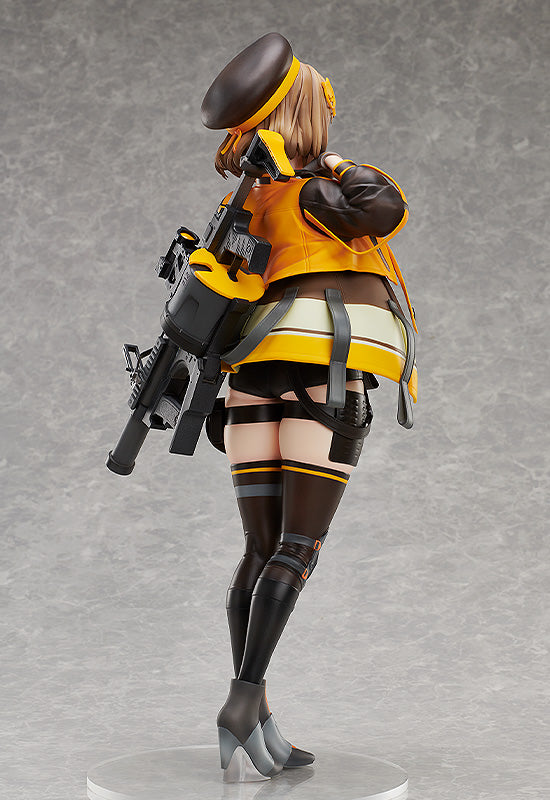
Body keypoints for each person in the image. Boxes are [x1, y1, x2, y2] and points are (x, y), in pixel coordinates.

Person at [199, 32, 418, 781]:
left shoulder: (245, 202)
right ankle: (243, 698)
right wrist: (336, 166)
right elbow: (383, 208)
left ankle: (256, 713)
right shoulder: (319, 192)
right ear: (304, 112)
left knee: (259, 551)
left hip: (250, 381)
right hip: (323, 373)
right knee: (298, 549)